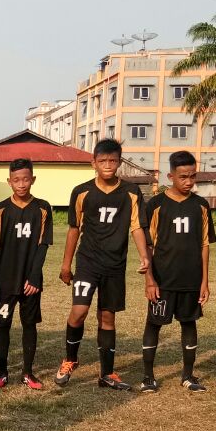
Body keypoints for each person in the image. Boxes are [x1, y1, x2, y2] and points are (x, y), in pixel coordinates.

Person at [55, 138, 149, 390]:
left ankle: (107, 373)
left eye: (112, 161)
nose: (108, 165)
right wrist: (66, 265)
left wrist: (144, 256)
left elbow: (137, 226)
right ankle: (70, 360)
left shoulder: (131, 192)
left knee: (107, 318)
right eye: (103, 161)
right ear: (93, 163)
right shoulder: (82, 191)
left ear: (119, 162)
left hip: (115, 265)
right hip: (88, 262)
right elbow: (74, 229)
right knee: (79, 311)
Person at [139, 151, 214, 393]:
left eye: (192, 176)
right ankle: (148, 377)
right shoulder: (156, 205)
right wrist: (150, 279)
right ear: (171, 176)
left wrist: (204, 281)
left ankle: (188, 376)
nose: (188, 181)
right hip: (163, 279)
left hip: (191, 279)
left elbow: (204, 244)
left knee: (189, 323)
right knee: (154, 324)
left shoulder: (201, 206)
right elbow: (148, 246)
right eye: (183, 177)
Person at [0, 158, 52, 390]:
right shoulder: (0, 210)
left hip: (30, 282)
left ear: (32, 179)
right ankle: (2, 371)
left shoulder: (43, 208)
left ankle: (28, 372)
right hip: (5, 281)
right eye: (16, 180)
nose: (21, 184)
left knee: (29, 325)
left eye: (26, 179)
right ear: (9, 182)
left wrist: (34, 277)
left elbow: (43, 245)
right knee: (2, 325)